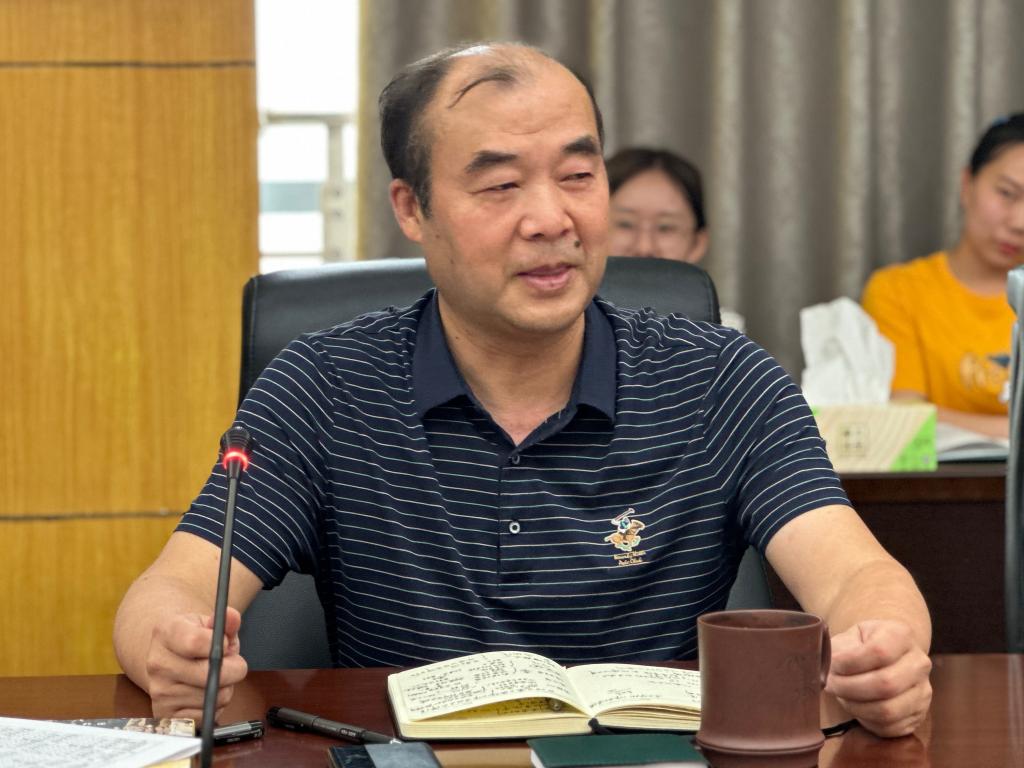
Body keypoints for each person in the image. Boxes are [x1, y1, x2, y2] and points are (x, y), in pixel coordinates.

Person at [114, 42, 931, 738]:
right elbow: (173, 588)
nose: (551, 219)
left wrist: (884, 647)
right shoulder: (325, 386)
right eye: (501, 186)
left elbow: (858, 576)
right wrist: (172, 647)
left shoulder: (723, 380)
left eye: (578, 174)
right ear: (412, 208)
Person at [862, 113, 1024, 440]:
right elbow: (905, 418)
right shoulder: (898, 291)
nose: (1019, 221)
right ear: (967, 185)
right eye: (1006, 193)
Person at [606, 146, 744, 330]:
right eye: (625, 224)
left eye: (665, 227)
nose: (644, 248)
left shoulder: (725, 335)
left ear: (698, 243)